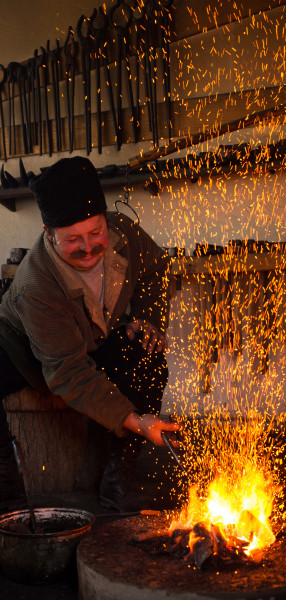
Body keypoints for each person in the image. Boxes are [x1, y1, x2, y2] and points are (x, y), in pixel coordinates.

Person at [0, 156, 179, 512]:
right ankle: (9, 502)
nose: (88, 247)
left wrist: (149, 321)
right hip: (19, 352)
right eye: (73, 240)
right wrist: (135, 420)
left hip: (91, 339)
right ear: (49, 235)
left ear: (105, 222)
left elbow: (158, 269)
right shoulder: (34, 285)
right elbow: (67, 372)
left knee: (146, 353)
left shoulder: (123, 233)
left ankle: (117, 480)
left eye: (95, 232)